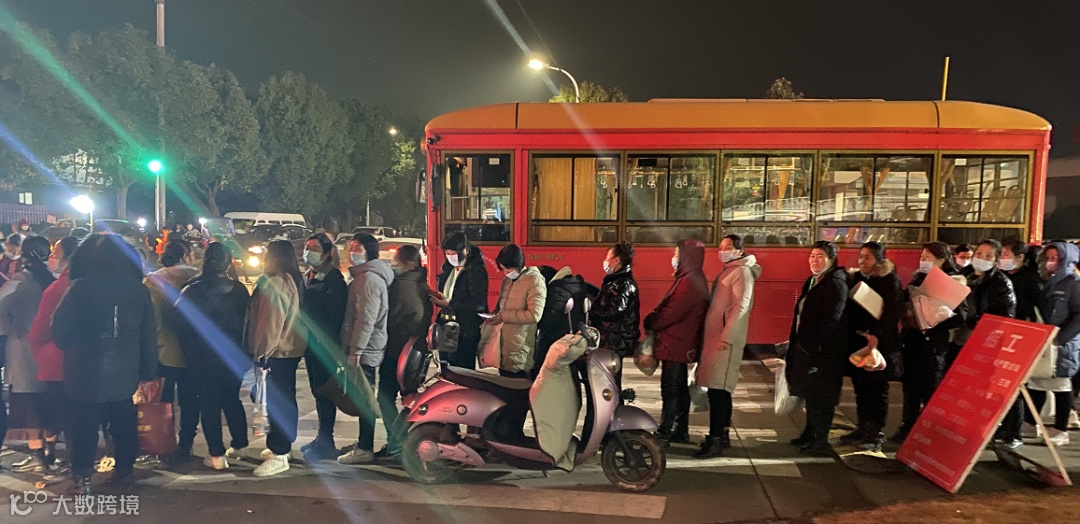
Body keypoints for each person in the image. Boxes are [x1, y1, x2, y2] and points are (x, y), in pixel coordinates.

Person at [52, 234, 157, 494]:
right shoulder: (138, 290)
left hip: (84, 369)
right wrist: (147, 370)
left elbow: (59, 332)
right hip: (126, 369)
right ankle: (124, 472)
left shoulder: (79, 288)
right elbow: (148, 335)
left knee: (84, 426)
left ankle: (82, 478)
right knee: (123, 423)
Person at [169, 243, 251, 470]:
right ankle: (240, 444)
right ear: (228, 262)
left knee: (209, 404)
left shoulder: (192, 290)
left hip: (202, 356)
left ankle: (216, 454)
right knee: (232, 399)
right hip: (233, 355)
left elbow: (175, 320)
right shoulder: (239, 290)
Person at [891, 241, 967, 442]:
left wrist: (932, 325)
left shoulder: (953, 282)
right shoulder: (918, 279)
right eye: (922, 257)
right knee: (910, 387)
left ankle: (931, 430)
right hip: (912, 340)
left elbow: (961, 316)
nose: (923, 260)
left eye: (928, 257)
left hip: (933, 343)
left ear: (942, 260)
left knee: (929, 387)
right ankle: (907, 427)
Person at [694, 234, 760, 459]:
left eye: (727, 247)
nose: (722, 251)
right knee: (718, 390)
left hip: (724, 342)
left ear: (739, 250)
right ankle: (721, 435)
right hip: (717, 340)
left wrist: (727, 337)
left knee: (718, 391)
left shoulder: (741, 272)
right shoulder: (731, 270)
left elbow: (741, 307)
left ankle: (715, 440)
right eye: (721, 247)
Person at [245, 239, 305, 477]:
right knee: (283, 398)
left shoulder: (275, 282)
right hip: (287, 350)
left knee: (276, 401)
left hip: (276, 352)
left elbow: (270, 323)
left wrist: (262, 354)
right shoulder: (292, 279)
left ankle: (280, 452)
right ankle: (281, 447)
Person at [786, 240, 849, 456]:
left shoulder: (836, 283)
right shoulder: (814, 280)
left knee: (822, 397)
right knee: (810, 393)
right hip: (807, 347)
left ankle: (820, 439)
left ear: (831, 259)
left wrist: (816, 347)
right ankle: (809, 432)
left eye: (820, 256)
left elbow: (833, 319)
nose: (814, 260)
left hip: (824, 352)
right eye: (812, 256)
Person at [838, 241, 902, 452]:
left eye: (868, 257)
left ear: (879, 260)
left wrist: (877, 335)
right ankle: (862, 427)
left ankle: (875, 433)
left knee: (877, 389)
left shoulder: (888, 279)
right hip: (858, 340)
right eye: (860, 256)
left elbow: (893, 312)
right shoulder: (856, 278)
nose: (862, 261)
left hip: (878, 342)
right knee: (861, 387)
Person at [1, 236, 57, 473]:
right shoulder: (54, 281)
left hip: (23, 349)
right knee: (50, 401)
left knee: (30, 405)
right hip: (52, 351)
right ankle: (51, 450)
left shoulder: (19, 282)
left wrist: (11, 329)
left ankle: (37, 454)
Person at [645, 239, 709, 446]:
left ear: (686, 256)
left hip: (677, 342)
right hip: (678, 341)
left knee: (671, 388)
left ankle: (666, 430)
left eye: (676, 254)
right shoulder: (689, 277)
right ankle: (680, 429)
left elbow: (673, 311)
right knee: (678, 387)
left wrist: (652, 321)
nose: (673, 258)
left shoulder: (689, 281)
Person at [338, 233, 394, 465]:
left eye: (357, 247)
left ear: (369, 251)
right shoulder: (366, 276)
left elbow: (366, 319)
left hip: (366, 349)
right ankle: (364, 443)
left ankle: (365, 448)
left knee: (364, 399)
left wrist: (356, 350)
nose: (352, 252)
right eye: (351, 247)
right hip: (367, 346)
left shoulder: (368, 279)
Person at [25, 236, 80, 475]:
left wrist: (41, 353)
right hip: (88, 362)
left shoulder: (58, 288)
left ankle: (76, 467)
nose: (50, 259)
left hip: (58, 362)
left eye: (55, 254)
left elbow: (38, 331)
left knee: (69, 418)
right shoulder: (94, 284)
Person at [959, 239, 1019, 449]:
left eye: (988, 256)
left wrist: (977, 322)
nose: (981, 259)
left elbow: (1005, 316)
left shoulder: (1001, 283)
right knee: (964, 388)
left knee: (990, 389)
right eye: (979, 254)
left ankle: (1011, 433)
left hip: (987, 342)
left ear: (995, 260)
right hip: (961, 339)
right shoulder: (963, 276)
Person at [145, 239, 201, 465]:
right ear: (186, 256)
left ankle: (164, 445)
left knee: (163, 401)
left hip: (164, 349)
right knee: (190, 401)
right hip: (193, 350)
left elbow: (150, 319)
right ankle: (186, 444)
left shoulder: (152, 281)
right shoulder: (197, 277)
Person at [296, 234, 348, 460]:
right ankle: (322, 438)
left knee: (325, 393)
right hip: (309, 343)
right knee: (317, 392)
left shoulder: (334, 281)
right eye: (306, 247)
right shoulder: (308, 276)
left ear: (327, 253)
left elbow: (335, 317)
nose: (308, 252)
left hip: (325, 345)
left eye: (314, 248)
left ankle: (326, 440)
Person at [1023, 242, 1080, 446]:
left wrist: (1060, 338)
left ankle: (1061, 430)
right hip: (1044, 340)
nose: (1050, 262)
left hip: (1062, 345)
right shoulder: (1047, 281)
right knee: (1037, 381)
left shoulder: (1073, 283)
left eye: (1055, 258)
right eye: (1047, 258)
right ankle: (1030, 423)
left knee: (1061, 385)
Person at [378, 244, 432, 459]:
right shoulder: (421, 282)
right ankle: (401, 441)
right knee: (409, 397)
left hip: (398, 350)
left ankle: (396, 441)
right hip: (414, 352)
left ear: (408, 264)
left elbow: (390, 318)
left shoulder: (402, 286)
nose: (394, 266)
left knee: (385, 397)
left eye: (397, 262)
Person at [487, 244, 547, 379]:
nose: (506, 272)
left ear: (518, 265)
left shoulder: (534, 280)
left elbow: (534, 315)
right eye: (503, 269)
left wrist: (503, 316)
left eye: (509, 269)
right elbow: (501, 307)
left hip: (520, 346)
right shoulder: (507, 281)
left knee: (518, 383)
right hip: (503, 345)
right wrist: (494, 315)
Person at [431, 232, 488, 369]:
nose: (450, 256)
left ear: (465, 250)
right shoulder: (448, 268)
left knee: (462, 370)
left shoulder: (476, 270)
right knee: (445, 367)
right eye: (447, 253)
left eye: (453, 253)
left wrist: (450, 303)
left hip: (465, 330)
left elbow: (479, 303)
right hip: (447, 326)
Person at [590, 241, 640, 390]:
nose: (605, 261)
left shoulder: (623, 284)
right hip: (612, 337)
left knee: (610, 381)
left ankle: (614, 404)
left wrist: (593, 312)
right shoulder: (615, 281)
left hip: (615, 339)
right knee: (607, 379)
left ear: (616, 260)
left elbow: (615, 311)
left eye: (608, 257)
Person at [534, 265, 587, 379]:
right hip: (571, 334)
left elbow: (550, 319)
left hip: (556, 338)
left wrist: (532, 321)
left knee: (539, 369)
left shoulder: (558, 290)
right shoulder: (573, 284)